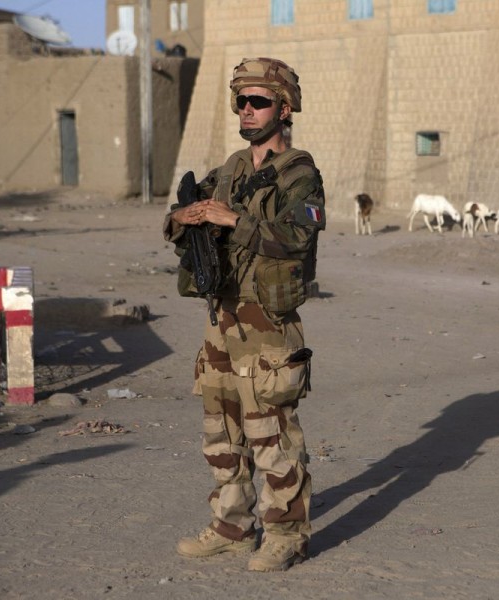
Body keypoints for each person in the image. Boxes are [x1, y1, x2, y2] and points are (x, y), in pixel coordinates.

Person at [163, 57, 326, 571]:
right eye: (242, 101)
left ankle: (287, 535)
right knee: (222, 431)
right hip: (221, 318)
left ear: (284, 107)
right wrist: (181, 218)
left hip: (267, 323)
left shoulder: (301, 173)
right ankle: (233, 527)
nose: (248, 110)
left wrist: (232, 219)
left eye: (259, 101)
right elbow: (177, 221)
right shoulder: (230, 168)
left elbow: (297, 239)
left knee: (271, 432)